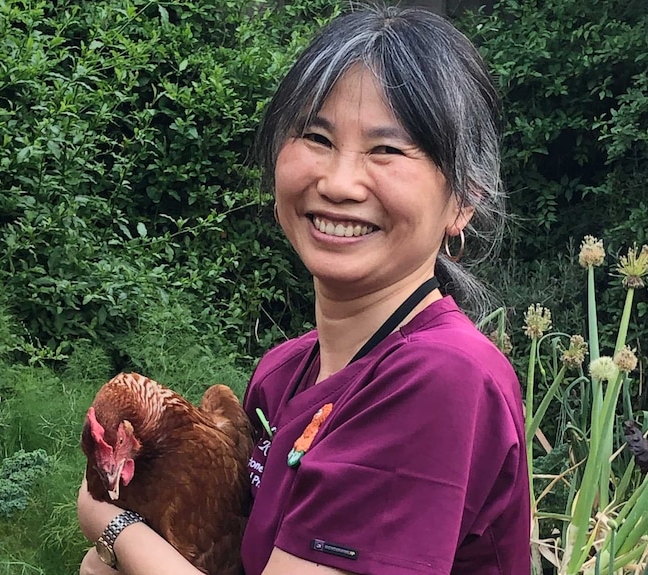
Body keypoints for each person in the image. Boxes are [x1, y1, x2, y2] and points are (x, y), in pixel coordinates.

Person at [77, 4, 531, 574]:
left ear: (463, 199)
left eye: (386, 150)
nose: (339, 183)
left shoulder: (443, 378)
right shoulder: (281, 376)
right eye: (316, 137)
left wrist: (110, 526)